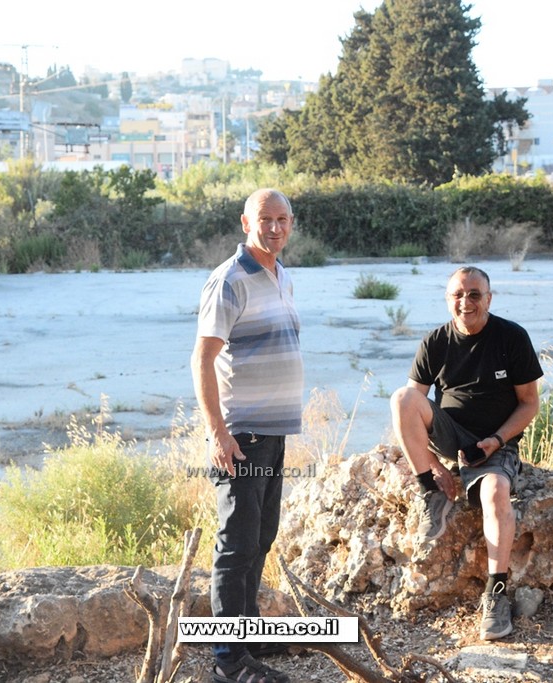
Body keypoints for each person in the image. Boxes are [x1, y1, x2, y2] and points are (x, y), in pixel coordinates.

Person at [389, 266, 543, 641]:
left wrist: (497, 439)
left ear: (489, 298)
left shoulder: (511, 337)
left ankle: (496, 595)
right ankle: (430, 494)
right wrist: (433, 467)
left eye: (474, 294)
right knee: (402, 397)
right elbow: (410, 411)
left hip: (495, 443)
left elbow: (529, 404)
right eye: (458, 294)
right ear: (448, 300)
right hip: (451, 437)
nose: (466, 302)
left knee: (496, 493)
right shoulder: (435, 341)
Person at [191, 188, 302, 683]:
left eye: (282, 219)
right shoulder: (229, 280)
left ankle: (248, 635)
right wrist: (218, 434)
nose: (274, 228)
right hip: (242, 436)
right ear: (245, 222)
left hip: (273, 433)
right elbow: (202, 360)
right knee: (236, 546)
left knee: (261, 537)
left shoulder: (281, 274)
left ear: (291, 224)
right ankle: (228, 661)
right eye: (264, 219)